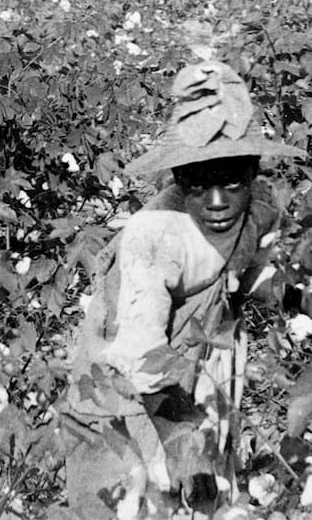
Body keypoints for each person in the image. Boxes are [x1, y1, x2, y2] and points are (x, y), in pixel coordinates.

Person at [63, 61, 305, 518]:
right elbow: (140, 359)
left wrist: (297, 295)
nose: (216, 202)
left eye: (232, 181)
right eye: (198, 184)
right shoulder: (155, 236)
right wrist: (185, 447)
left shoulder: (259, 207)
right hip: (128, 393)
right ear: (177, 178)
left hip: (198, 371)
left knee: (203, 492)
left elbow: (252, 267)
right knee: (130, 498)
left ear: (254, 172)